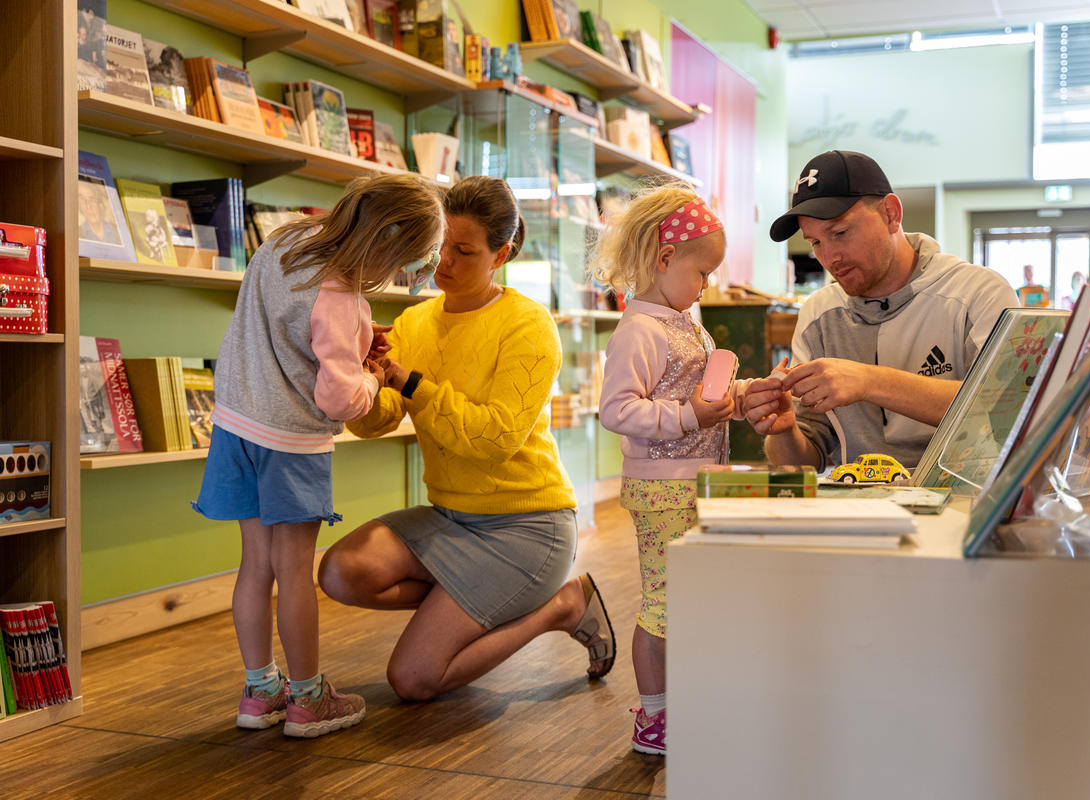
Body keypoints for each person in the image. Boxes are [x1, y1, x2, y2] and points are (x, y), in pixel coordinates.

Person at [316, 175, 617, 706]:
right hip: (450, 517)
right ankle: (470, 599)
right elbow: (374, 421)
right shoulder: (415, 319)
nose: (444, 264)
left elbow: (495, 439)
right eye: (440, 248)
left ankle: (561, 607)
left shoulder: (528, 324)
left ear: (501, 253)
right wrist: (363, 373)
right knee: (341, 572)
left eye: (464, 251)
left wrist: (408, 380)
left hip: (528, 527)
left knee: (413, 680)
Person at [192, 173, 445, 738]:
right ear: (385, 243)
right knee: (295, 574)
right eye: (401, 262)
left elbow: (290, 329)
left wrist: (354, 341)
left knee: (254, 567)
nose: (393, 275)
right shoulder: (341, 297)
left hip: (236, 428)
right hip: (291, 444)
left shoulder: (285, 240)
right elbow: (339, 399)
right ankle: (308, 699)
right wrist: (373, 377)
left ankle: (261, 694)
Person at [591, 185, 749, 757]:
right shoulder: (641, 329)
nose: (706, 284)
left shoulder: (684, 322)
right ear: (665, 259)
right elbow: (617, 410)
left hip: (696, 482)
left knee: (688, 596)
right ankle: (654, 717)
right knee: (662, 602)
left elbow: (702, 394)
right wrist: (688, 415)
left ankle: (686, 699)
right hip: (662, 489)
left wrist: (744, 394)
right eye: (702, 272)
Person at [746, 149, 1017, 471]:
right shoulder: (818, 315)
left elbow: (1007, 410)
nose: (830, 257)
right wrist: (786, 432)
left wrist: (870, 381)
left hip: (965, 502)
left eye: (840, 233)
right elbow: (808, 459)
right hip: (859, 507)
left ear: (891, 213)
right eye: (815, 242)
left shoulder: (977, 292)